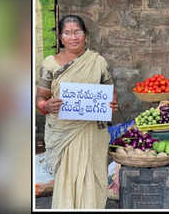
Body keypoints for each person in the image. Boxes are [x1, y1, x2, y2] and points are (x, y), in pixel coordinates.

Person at [36, 15, 118, 209]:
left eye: (77, 32)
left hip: (92, 132)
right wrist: (45, 106)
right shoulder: (50, 64)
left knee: (91, 176)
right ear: (61, 37)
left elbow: (110, 91)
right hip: (64, 133)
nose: (73, 37)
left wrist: (112, 104)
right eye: (67, 33)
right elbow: (41, 98)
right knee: (67, 177)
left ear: (86, 35)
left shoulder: (97, 62)